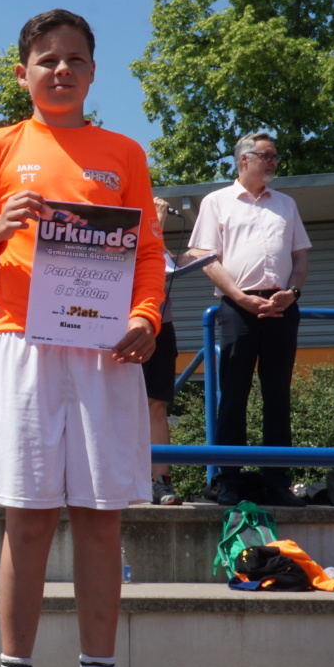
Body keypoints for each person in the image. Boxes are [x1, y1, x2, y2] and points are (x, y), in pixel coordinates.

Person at [0, 8, 173, 667]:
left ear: (94, 72)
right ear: (23, 74)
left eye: (74, 58)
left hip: (105, 352)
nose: (61, 69)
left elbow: (148, 254)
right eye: (47, 59)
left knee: (102, 520)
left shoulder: (124, 152)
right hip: (24, 345)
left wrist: (146, 317)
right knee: (28, 519)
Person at [187, 132, 311, 507]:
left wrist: (292, 293)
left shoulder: (287, 204)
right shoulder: (216, 201)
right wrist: (240, 297)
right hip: (237, 306)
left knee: (278, 395)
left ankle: (277, 482)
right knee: (233, 395)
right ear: (245, 159)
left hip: (282, 306)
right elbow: (204, 256)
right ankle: (229, 480)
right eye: (267, 156)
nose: (274, 162)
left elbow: (301, 256)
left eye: (275, 156)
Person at [144, 197, 187, 505]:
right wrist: (156, 223)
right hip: (119, 325)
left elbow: (164, 264)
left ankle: (161, 482)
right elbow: (138, 255)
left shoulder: (152, 226)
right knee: (112, 404)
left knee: (156, 405)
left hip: (161, 323)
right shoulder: (119, 218)